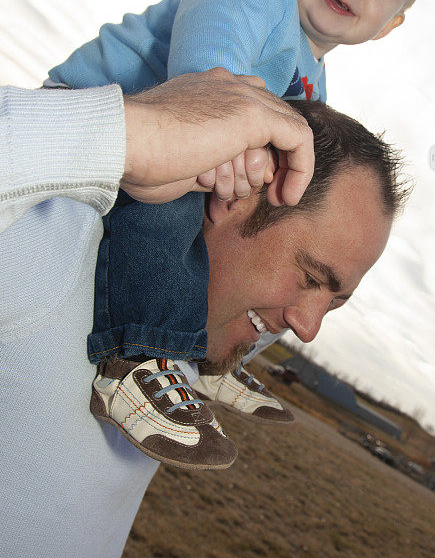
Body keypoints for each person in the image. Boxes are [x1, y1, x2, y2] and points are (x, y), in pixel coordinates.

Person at [46, 0, 435, 457]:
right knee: (176, 203)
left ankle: (205, 359)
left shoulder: (314, 83)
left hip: (157, 155)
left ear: (392, 24)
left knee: (273, 246)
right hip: (92, 115)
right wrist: (225, 125)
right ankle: (130, 356)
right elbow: (211, 35)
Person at [0, 74, 405, 558]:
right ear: (237, 195)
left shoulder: (199, 333)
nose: (309, 327)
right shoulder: (57, 240)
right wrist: (138, 133)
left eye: (336, 301)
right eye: (312, 277)